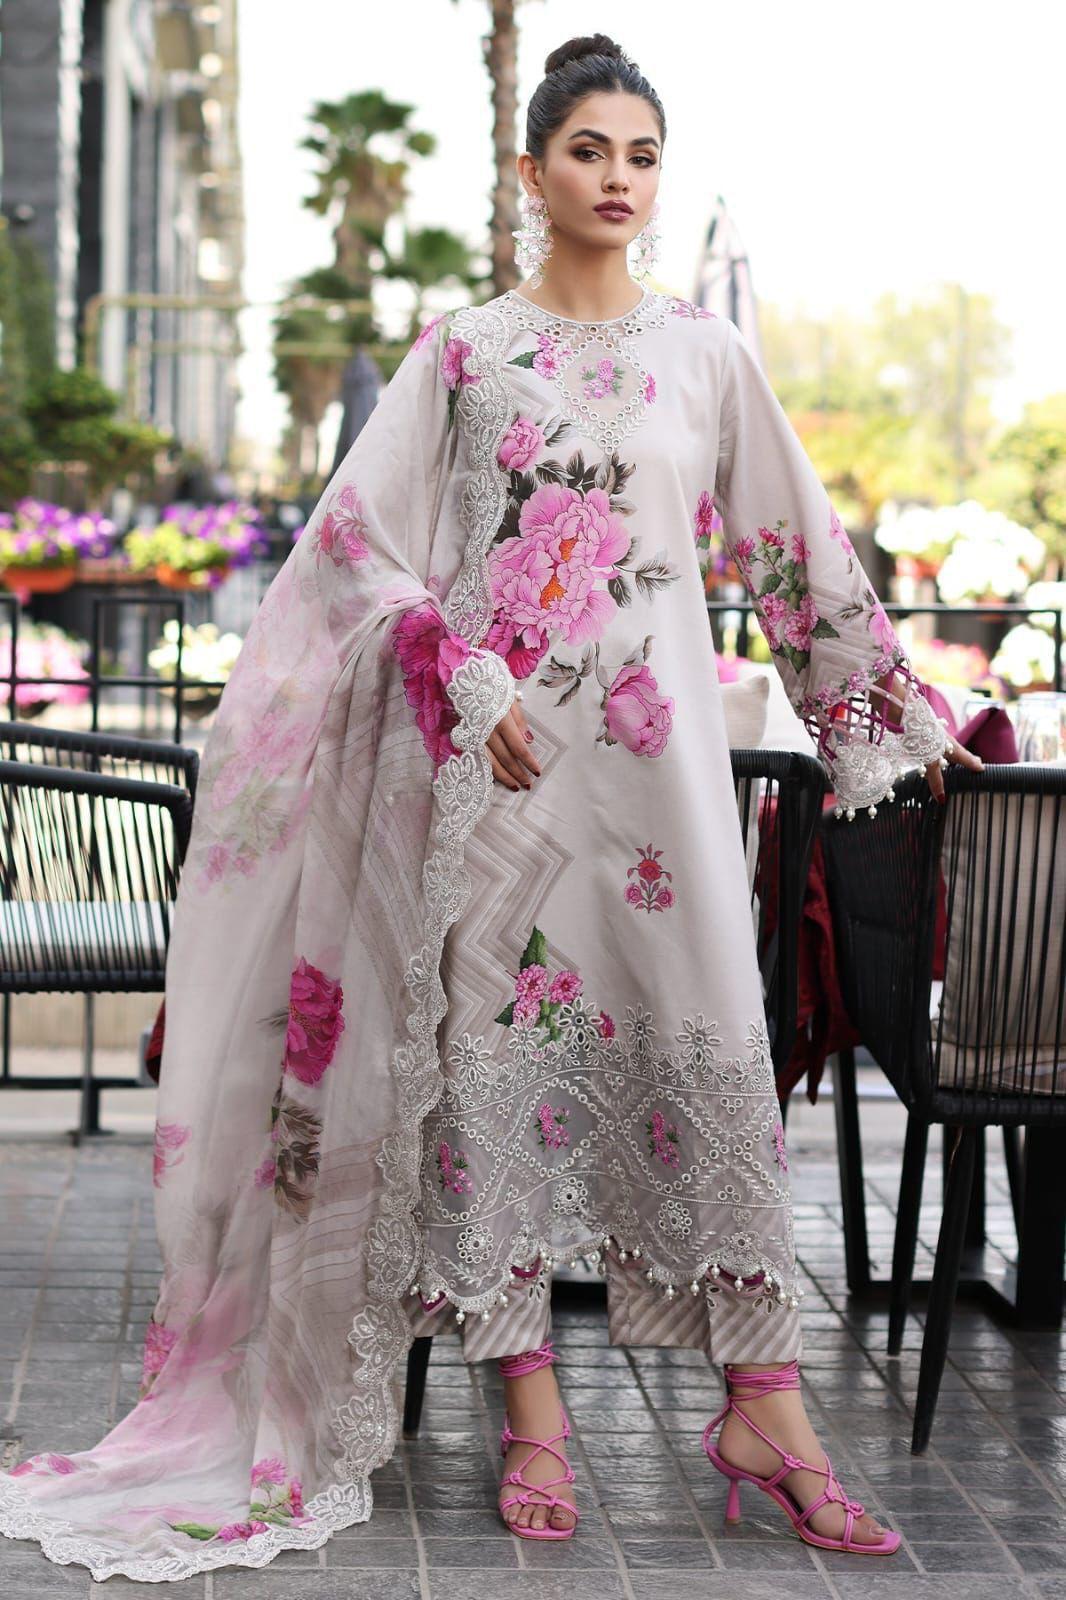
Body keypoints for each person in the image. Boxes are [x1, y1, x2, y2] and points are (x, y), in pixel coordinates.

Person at [0, 32, 979, 1582]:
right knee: (489, 1077)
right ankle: (531, 1415)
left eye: (642, 155)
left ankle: (767, 1413)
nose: (618, 178)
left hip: (658, 793)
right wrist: (457, 670)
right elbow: (353, 549)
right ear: (532, 171)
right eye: (589, 150)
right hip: (492, 788)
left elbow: (795, 545)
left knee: (712, 1050)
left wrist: (892, 719)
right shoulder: (461, 355)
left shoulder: (702, 358)